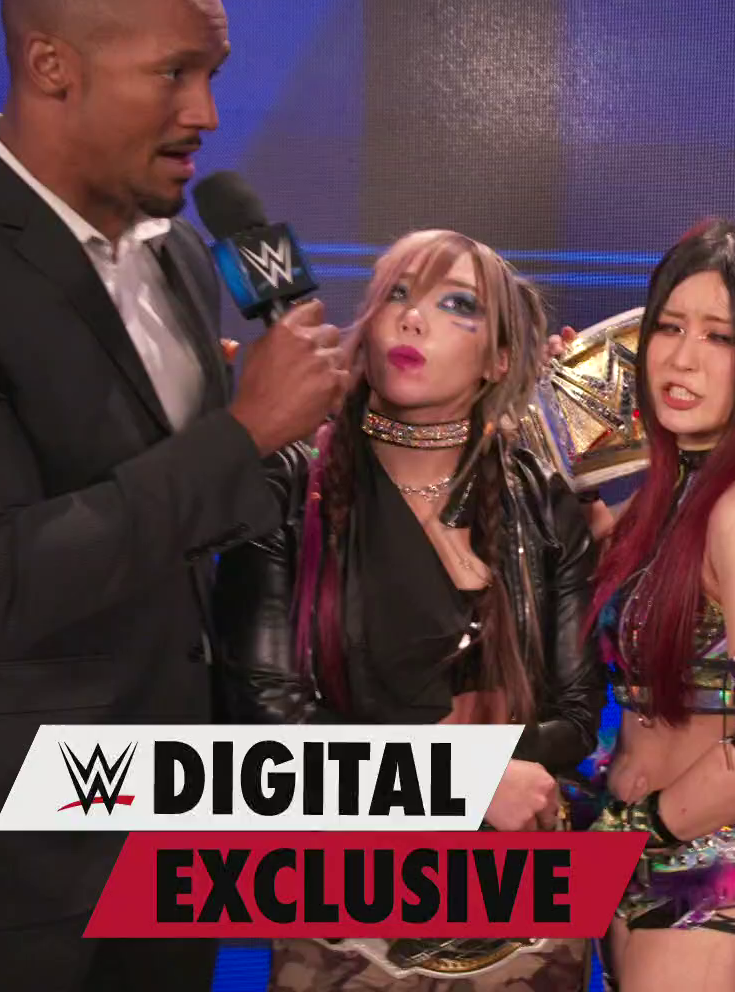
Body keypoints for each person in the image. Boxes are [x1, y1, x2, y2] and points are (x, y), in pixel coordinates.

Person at [0, 0, 347, 990]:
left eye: (214, 74)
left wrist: (282, 448)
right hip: (6, 883)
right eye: (175, 73)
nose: (207, 114)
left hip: (169, 849)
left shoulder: (185, 252)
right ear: (52, 65)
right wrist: (241, 434)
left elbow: (187, 523)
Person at [213, 229, 604, 990]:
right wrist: (461, 778)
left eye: (456, 305)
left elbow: (578, 713)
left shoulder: (540, 498)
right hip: (344, 908)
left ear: (498, 359)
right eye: (397, 294)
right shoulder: (291, 484)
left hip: (517, 906)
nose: (412, 317)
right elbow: (267, 719)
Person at [586, 219, 735, 992]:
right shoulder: (680, 487)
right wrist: (566, 424)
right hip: (644, 865)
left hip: (713, 882)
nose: (682, 358)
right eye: (668, 327)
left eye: (720, 337)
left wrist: (638, 829)